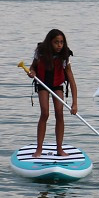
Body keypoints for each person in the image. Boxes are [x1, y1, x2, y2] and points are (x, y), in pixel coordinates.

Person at [26, 28, 78, 158]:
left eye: (61, 42)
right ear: (50, 42)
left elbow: (71, 80)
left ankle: (59, 149)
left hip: (57, 85)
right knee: (45, 113)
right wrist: (32, 72)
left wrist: (75, 103)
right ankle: (39, 149)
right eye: (56, 42)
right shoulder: (40, 52)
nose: (59, 45)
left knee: (59, 113)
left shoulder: (65, 56)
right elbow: (33, 67)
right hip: (43, 83)